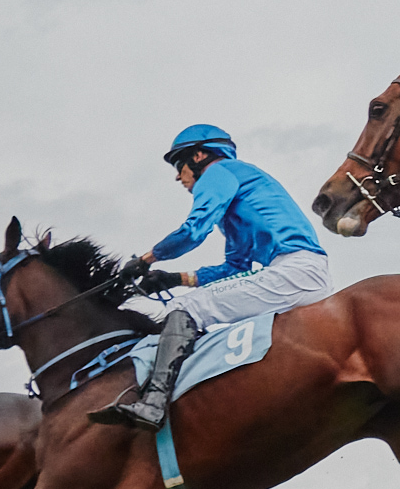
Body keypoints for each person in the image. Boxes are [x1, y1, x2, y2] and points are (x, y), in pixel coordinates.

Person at [88, 124, 332, 432]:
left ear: (200, 156)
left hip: (294, 272)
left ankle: (153, 403)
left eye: (180, 166)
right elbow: (236, 268)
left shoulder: (218, 173)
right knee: (192, 301)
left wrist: (146, 260)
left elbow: (193, 230)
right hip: (303, 275)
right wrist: (174, 278)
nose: (178, 176)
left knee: (185, 308)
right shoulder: (241, 192)